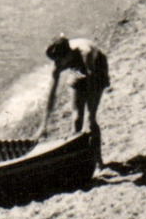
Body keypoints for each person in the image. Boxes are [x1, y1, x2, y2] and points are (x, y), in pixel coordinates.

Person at [45, 35, 110, 170]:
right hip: (77, 68)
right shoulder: (59, 63)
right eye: (55, 61)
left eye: (59, 61)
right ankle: (77, 160)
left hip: (96, 66)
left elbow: (91, 80)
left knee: (90, 118)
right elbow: (52, 94)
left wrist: (90, 111)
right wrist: (44, 124)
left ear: (68, 54)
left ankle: (99, 161)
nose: (57, 65)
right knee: (76, 118)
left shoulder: (85, 53)